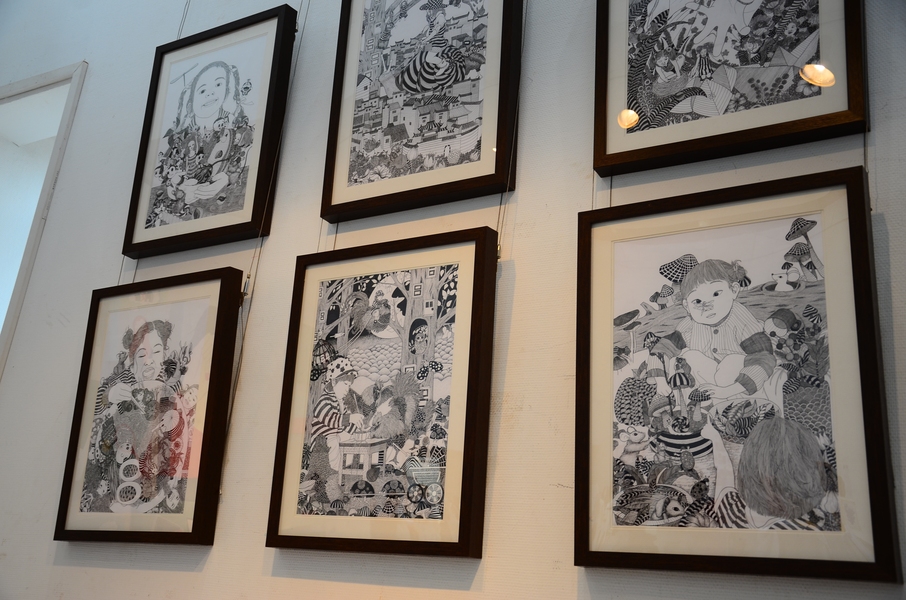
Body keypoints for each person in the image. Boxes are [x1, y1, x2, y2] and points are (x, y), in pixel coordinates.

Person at [650, 259, 776, 402]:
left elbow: (764, 358)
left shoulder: (742, 320)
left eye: (716, 294)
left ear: (734, 290)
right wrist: (660, 380)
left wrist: (728, 391)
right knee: (689, 356)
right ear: (687, 306)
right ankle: (696, 405)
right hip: (704, 382)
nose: (708, 306)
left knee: (732, 361)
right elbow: (662, 349)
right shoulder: (690, 324)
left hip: (738, 385)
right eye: (697, 301)